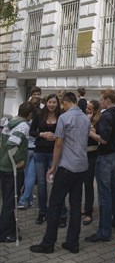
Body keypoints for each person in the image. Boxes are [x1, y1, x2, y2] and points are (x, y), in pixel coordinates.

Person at [30, 92, 91, 254]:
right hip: (81, 166)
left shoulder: (64, 118)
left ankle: (48, 243)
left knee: (55, 204)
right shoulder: (86, 118)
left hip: (66, 166)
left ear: (64, 103)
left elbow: (58, 144)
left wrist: (53, 166)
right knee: (76, 205)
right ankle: (73, 242)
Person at [85, 88, 115, 242]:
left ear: (108, 100)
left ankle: (104, 231)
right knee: (114, 189)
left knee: (104, 194)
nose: (100, 102)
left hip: (105, 156)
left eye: (101, 99)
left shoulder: (106, 116)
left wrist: (90, 131)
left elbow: (103, 139)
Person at [0, 101, 35, 243]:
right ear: (30, 114)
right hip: (12, 168)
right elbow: (12, 144)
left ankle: (8, 226)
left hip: (3, 166)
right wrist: (18, 161)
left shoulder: (9, 122)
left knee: (7, 199)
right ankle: (5, 234)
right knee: (10, 201)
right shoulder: (23, 126)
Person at [30, 93, 67, 226]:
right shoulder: (39, 115)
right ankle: (42, 212)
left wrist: (55, 136)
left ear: (58, 104)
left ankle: (62, 213)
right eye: (49, 102)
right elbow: (31, 131)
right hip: (40, 152)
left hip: (54, 153)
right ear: (46, 103)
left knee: (57, 183)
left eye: (54, 102)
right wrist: (41, 134)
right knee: (41, 184)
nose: (51, 104)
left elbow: (66, 133)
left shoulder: (62, 116)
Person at [17, 95, 41, 209]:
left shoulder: (25, 120)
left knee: (28, 176)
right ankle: (30, 200)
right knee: (30, 176)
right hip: (35, 148)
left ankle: (23, 200)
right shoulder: (40, 117)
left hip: (26, 149)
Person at [82, 99, 101, 226]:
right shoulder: (84, 118)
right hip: (81, 153)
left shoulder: (99, 120)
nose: (87, 110)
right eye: (87, 108)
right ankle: (84, 207)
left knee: (88, 183)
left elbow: (94, 134)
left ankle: (89, 211)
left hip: (92, 154)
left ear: (95, 110)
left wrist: (89, 122)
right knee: (80, 182)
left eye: (89, 108)